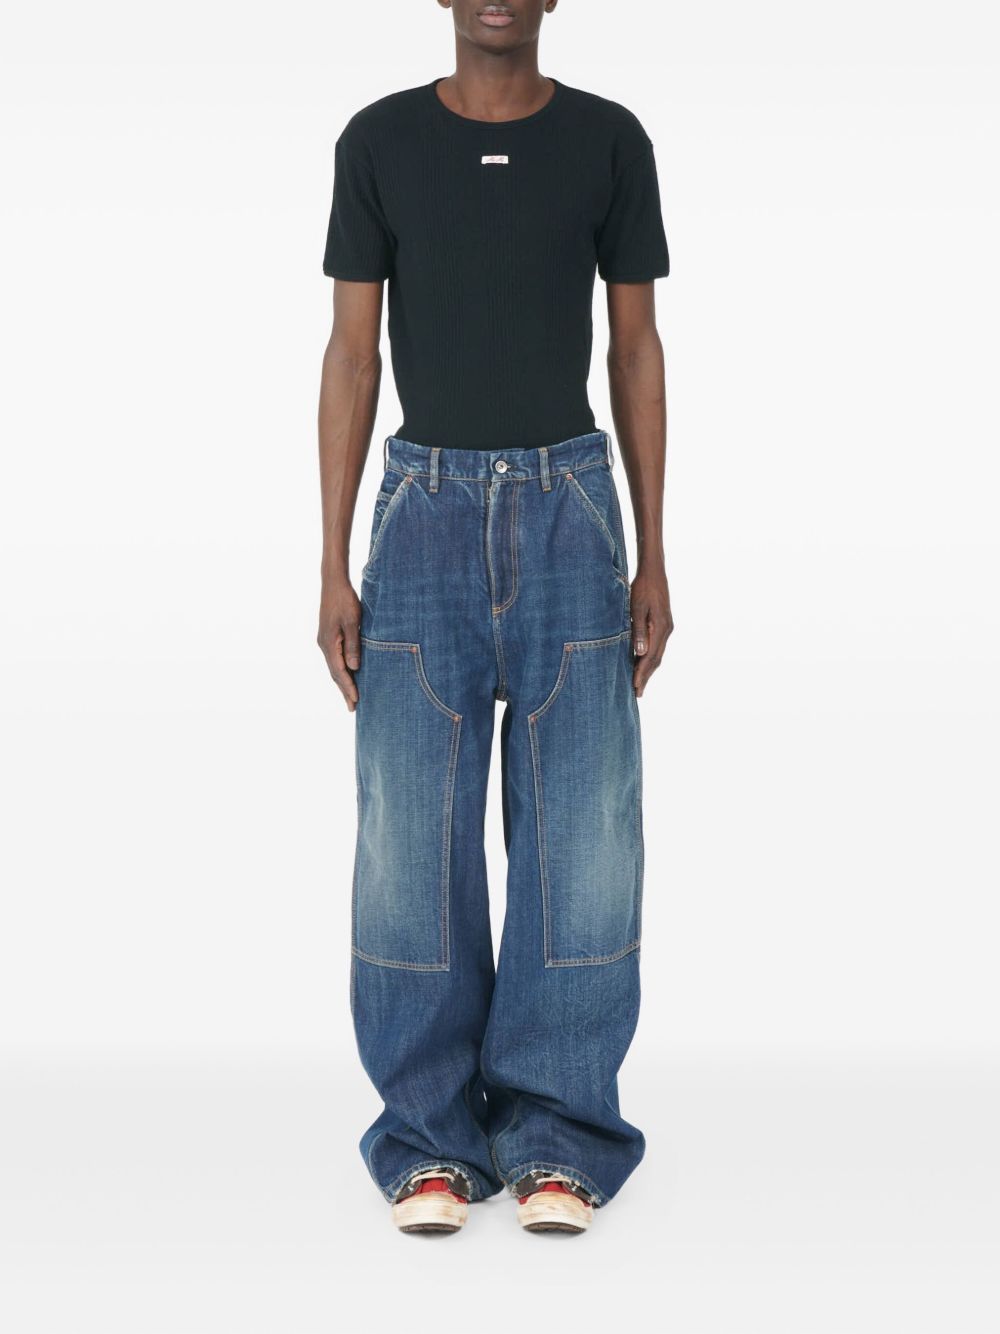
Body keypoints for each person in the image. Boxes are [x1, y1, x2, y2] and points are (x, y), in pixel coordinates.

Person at [317, 0, 673, 1236]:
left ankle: (559, 1133)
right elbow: (352, 353)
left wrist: (654, 552)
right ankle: (427, 1140)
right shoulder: (377, 142)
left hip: (572, 505)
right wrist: (331, 562)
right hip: (419, 513)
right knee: (409, 838)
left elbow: (636, 347)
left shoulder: (610, 140)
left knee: (582, 831)